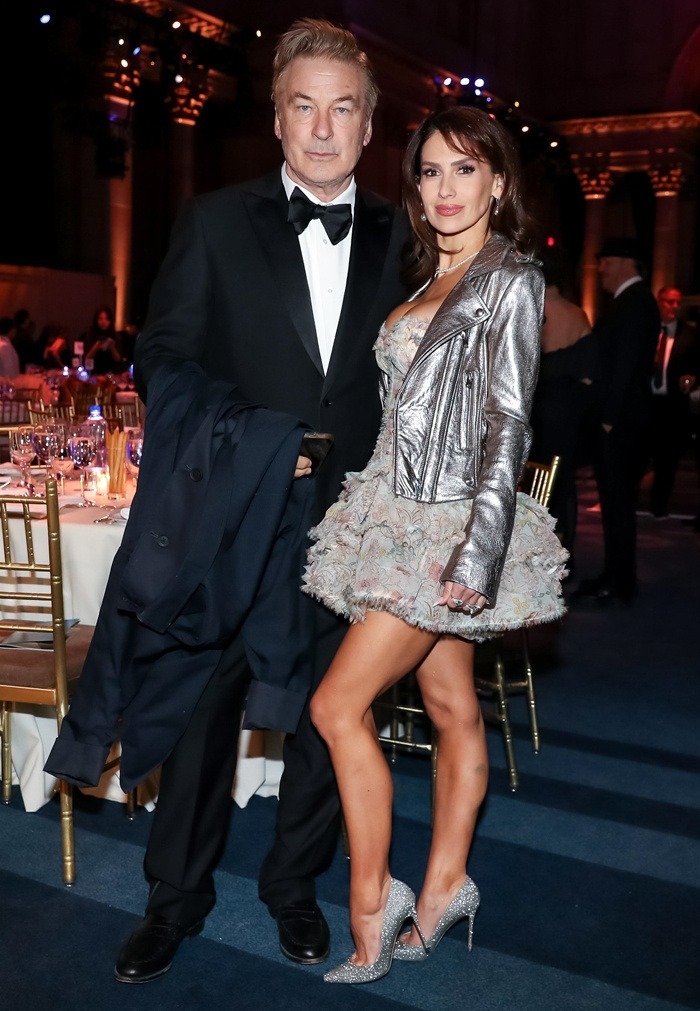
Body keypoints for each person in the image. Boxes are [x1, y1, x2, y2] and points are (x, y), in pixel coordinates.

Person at [112, 19, 409, 984]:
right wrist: (247, 440)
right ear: (276, 119)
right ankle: (174, 898)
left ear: (369, 126)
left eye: (342, 109)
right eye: (302, 107)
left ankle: (294, 887)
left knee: (331, 715)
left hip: (355, 524)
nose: (322, 129)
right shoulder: (213, 221)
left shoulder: (408, 238)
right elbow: (163, 357)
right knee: (204, 710)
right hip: (234, 521)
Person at [303, 107, 568, 984]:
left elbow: (509, 421)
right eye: (430, 171)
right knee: (451, 705)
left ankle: (373, 898)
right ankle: (449, 880)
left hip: (451, 523)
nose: (445, 188)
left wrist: (478, 551)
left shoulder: (510, 278)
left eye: (465, 169)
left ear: (498, 181)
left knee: (337, 706)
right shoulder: (428, 277)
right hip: (398, 510)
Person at [571, 237, 659, 607]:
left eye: (605, 262)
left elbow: (624, 365)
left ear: (625, 262)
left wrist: (608, 417)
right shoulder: (631, 302)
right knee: (615, 502)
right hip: (623, 419)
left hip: (621, 422)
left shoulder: (634, 303)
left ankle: (619, 581)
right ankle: (615, 575)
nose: (600, 270)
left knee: (618, 502)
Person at [530, 252, 599, 572]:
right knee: (563, 478)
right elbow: (590, 373)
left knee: (535, 477)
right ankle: (563, 550)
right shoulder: (578, 313)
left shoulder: (533, 307)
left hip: (539, 403)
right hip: (568, 408)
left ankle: (536, 550)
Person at [647, 286, 699, 518]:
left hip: (673, 404)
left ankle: (659, 506)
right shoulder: (647, 329)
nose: (674, 307)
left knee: (667, 460)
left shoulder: (689, 334)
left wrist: (693, 379)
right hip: (646, 401)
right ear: (659, 302)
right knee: (638, 454)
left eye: (677, 302)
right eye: (669, 302)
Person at [84, 305, 122, 375]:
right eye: (100, 319)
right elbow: (87, 358)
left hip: (111, 373)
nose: (103, 322)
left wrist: (112, 348)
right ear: (96, 320)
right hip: (94, 373)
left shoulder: (115, 335)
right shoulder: (91, 334)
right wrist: (95, 347)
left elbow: (118, 359)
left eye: (107, 319)